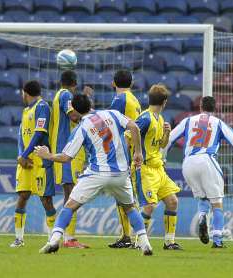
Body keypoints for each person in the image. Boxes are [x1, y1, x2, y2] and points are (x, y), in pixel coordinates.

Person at [35, 94, 153, 255]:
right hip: (120, 174)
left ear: (75, 110)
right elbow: (134, 127)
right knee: (130, 208)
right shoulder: (113, 114)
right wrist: (138, 152)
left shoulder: (82, 127)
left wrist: (47, 155)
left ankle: (54, 240)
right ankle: (145, 243)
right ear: (91, 104)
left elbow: (65, 157)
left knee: (70, 206)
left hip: (97, 173)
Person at [163, 96, 233, 248]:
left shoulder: (187, 120)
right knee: (217, 203)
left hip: (188, 163)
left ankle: (202, 217)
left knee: (203, 198)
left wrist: (163, 157)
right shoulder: (218, 123)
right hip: (207, 160)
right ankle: (217, 240)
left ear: (200, 107)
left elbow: (170, 139)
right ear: (215, 108)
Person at [131, 83, 182, 250]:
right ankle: (138, 241)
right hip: (145, 168)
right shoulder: (145, 118)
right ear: (165, 101)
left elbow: (161, 144)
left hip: (158, 168)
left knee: (172, 201)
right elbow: (128, 135)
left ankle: (169, 242)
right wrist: (134, 156)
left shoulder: (159, 119)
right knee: (149, 206)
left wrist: (167, 133)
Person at [10, 80, 57, 248]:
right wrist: (20, 156)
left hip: (40, 159)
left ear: (25, 92)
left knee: (46, 199)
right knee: (23, 196)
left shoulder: (42, 107)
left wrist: (25, 154)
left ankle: (52, 239)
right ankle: (18, 238)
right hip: (25, 160)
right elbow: (20, 135)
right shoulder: (25, 110)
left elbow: (39, 133)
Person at [49, 70, 88, 248]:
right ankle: (68, 238)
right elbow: (73, 115)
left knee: (71, 192)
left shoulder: (59, 94)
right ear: (74, 84)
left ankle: (65, 236)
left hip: (64, 147)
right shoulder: (66, 95)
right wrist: (87, 110)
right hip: (64, 148)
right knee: (71, 193)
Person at [108, 69, 142, 248]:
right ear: (132, 83)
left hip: (123, 150)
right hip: (132, 147)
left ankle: (127, 236)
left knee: (122, 194)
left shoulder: (119, 99)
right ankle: (129, 235)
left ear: (113, 83)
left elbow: (111, 123)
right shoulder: (134, 99)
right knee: (127, 193)